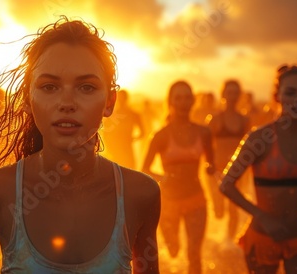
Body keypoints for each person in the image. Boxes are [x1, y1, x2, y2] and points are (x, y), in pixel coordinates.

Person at [0, 17, 160, 274]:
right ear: (28, 99)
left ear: (110, 102)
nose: (67, 102)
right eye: (49, 86)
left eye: (86, 87)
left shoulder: (140, 194)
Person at [220, 64, 297, 274]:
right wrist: (262, 217)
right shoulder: (259, 138)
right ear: (276, 96)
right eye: (290, 92)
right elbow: (226, 184)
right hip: (263, 235)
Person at [142, 80, 222, 274]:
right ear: (170, 101)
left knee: (194, 252)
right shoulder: (160, 135)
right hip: (168, 202)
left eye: (187, 97)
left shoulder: (203, 132)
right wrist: (163, 178)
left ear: (193, 101)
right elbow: (144, 169)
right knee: (173, 249)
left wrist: (216, 173)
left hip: (196, 199)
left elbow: (210, 165)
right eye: (178, 98)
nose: (183, 102)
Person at [208, 79, 250, 241]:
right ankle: (215, 236)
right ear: (223, 94)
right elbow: (206, 145)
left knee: (234, 207)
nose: (232, 97)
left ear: (240, 96)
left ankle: (229, 241)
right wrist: (208, 165)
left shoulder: (244, 120)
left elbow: (249, 147)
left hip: (237, 170)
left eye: (235, 93)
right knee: (219, 211)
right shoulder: (215, 119)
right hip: (218, 170)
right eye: (229, 92)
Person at [102, 89, 145, 170]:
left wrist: (132, 138)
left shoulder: (131, 114)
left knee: (128, 171)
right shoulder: (113, 115)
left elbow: (142, 132)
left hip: (124, 147)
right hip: (116, 148)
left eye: (122, 98)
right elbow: (105, 132)